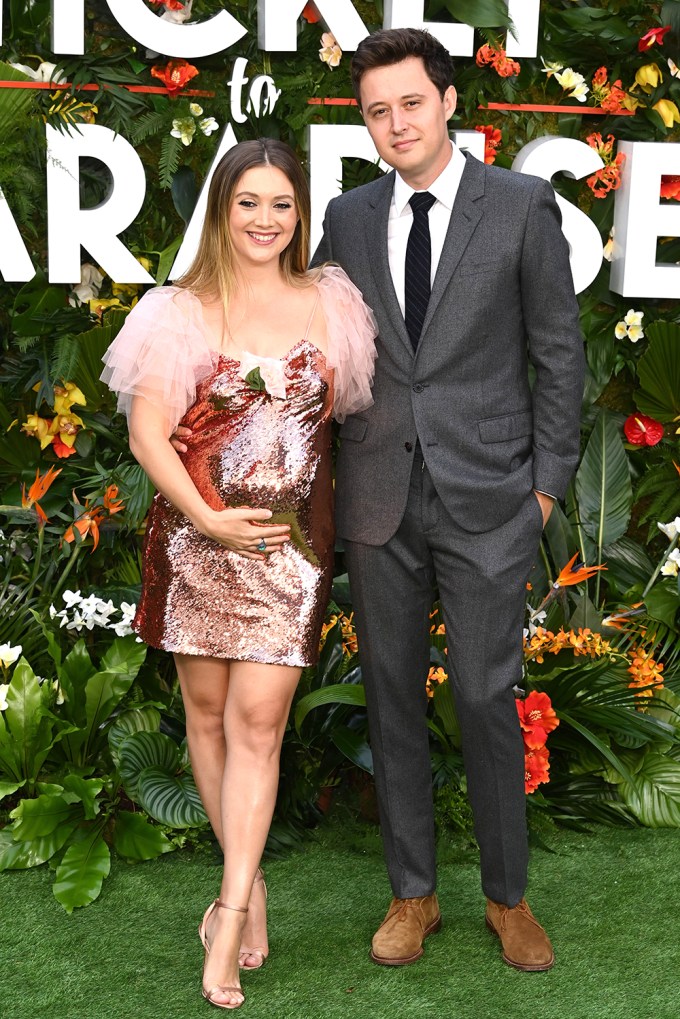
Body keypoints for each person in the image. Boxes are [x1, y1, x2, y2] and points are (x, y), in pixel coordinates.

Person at [312, 28, 585, 972]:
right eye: (377, 109)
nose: (395, 123)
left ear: (448, 102)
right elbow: (324, 350)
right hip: (379, 498)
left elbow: (559, 355)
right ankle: (413, 894)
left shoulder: (518, 206)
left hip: (491, 497)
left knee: (482, 693)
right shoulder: (346, 218)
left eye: (410, 103)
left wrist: (544, 490)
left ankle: (507, 899)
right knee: (389, 696)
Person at [101, 138, 377, 1010]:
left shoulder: (331, 304)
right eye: (248, 202)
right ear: (223, 209)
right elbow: (150, 434)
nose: (265, 219)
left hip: (289, 553)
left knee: (259, 723)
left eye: (282, 204)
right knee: (208, 717)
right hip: (196, 541)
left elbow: (336, 431)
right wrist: (206, 515)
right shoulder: (177, 309)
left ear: (300, 214)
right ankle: (249, 883)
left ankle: (226, 915)